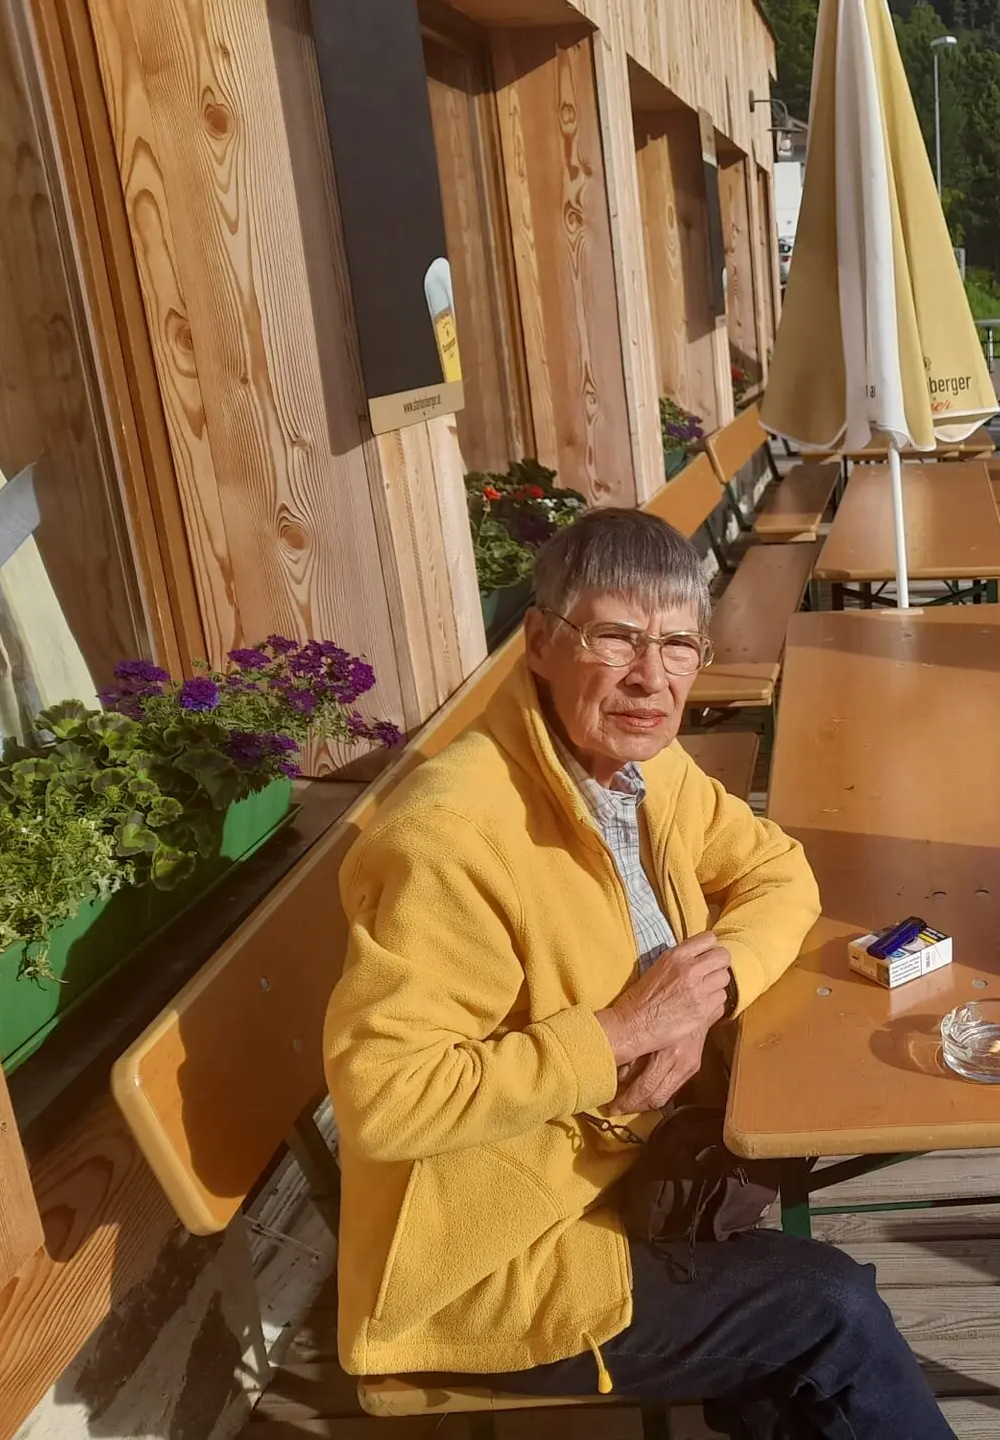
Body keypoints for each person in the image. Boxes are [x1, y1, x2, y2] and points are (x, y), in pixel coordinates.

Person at [325, 509, 952, 1438]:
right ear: (540, 641)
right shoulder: (449, 840)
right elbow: (386, 1097)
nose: (650, 678)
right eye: (615, 636)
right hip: (491, 1260)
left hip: (628, 1164)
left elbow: (778, 871)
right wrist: (621, 1032)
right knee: (828, 1310)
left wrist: (713, 989)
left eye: (678, 644)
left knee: (787, 1293)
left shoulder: (641, 771)